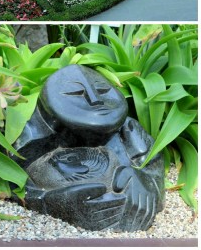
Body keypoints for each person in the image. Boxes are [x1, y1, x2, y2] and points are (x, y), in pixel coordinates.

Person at [13, 65, 164, 231]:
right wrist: (52, 202)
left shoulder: (129, 131)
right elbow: (8, 184)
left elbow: (154, 168)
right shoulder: (29, 136)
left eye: (102, 90)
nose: (95, 100)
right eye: (76, 93)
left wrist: (147, 182)